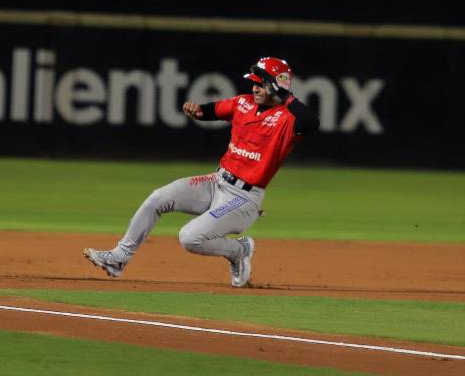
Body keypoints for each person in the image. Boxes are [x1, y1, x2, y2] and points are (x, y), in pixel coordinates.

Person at [83, 57, 320, 288]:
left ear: (275, 86)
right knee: (157, 198)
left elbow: (312, 122)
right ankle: (119, 257)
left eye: (261, 83)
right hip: (216, 181)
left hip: (243, 198)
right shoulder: (243, 103)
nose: (255, 87)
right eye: (255, 82)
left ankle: (239, 250)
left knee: (189, 238)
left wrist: (284, 95)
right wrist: (197, 111)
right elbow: (212, 110)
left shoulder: (288, 119)